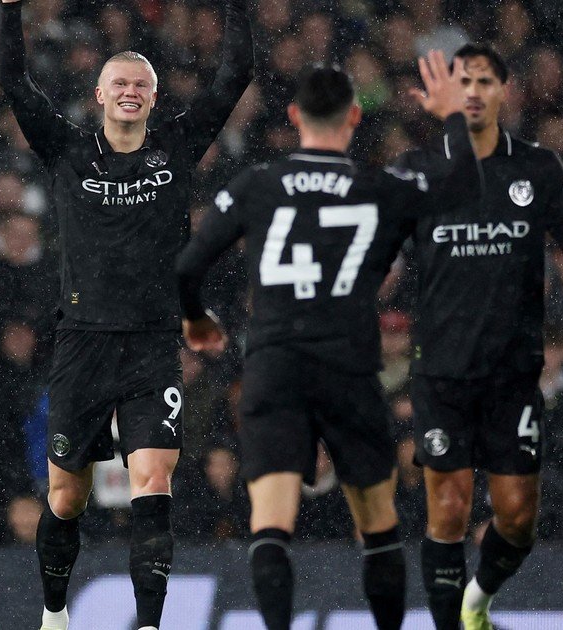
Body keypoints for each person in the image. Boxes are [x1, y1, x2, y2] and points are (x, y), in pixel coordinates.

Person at [175, 55, 476, 630]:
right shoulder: (380, 187)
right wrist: (452, 118)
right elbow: (461, 182)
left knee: (270, 525)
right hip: (347, 365)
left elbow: (187, 267)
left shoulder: (257, 184)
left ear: (293, 115)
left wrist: (196, 319)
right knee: (377, 523)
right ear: (355, 117)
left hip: (274, 364)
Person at [0, 1, 254, 628]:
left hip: (148, 348)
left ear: (155, 98)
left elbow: (235, 73)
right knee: (65, 495)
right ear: (100, 95)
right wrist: (10, 11)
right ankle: (55, 614)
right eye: (120, 83)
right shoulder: (65, 150)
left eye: (141, 84)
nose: (131, 91)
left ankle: (147, 624)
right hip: (82, 344)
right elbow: (14, 81)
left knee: (152, 478)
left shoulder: (176, 149)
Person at [391, 44, 563, 630]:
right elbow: (378, 246)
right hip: (442, 375)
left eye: (486, 81)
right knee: (449, 510)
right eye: (465, 81)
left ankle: (477, 601)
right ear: (450, 94)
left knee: (515, 521)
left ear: (506, 91)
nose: (475, 91)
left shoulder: (536, 166)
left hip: (512, 376)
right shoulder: (419, 168)